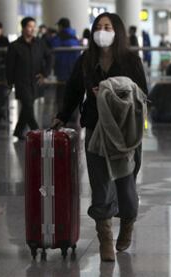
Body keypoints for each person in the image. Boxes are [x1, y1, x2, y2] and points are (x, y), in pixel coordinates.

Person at [51, 12, 148, 262]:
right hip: (95, 127)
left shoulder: (130, 60)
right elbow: (73, 90)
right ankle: (104, 235)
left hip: (125, 132)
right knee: (100, 184)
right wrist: (62, 115)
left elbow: (143, 94)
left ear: (117, 31)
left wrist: (113, 90)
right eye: (98, 27)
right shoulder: (86, 60)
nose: (102, 31)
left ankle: (127, 223)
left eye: (107, 26)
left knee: (126, 186)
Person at [6, 17, 52, 140]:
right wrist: (9, 82)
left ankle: (18, 131)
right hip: (21, 82)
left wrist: (45, 73)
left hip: (35, 81)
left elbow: (49, 57)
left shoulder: (39, 43)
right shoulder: (15, 46)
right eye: (30, 26)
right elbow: (10, 66)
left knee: (27, 107)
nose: (33, 29)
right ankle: (37, 132)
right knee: (28, 106)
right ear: (23, 28)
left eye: (34, 26)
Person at [50, 18, 81, 111]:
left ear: (61, 26)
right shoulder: (75, 37)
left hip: (61, 72)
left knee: (60, 98)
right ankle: (73, 118)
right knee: (73, 96)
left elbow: (52, 45)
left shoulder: (58, 38)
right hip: (73, 72)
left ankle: (61, 118)